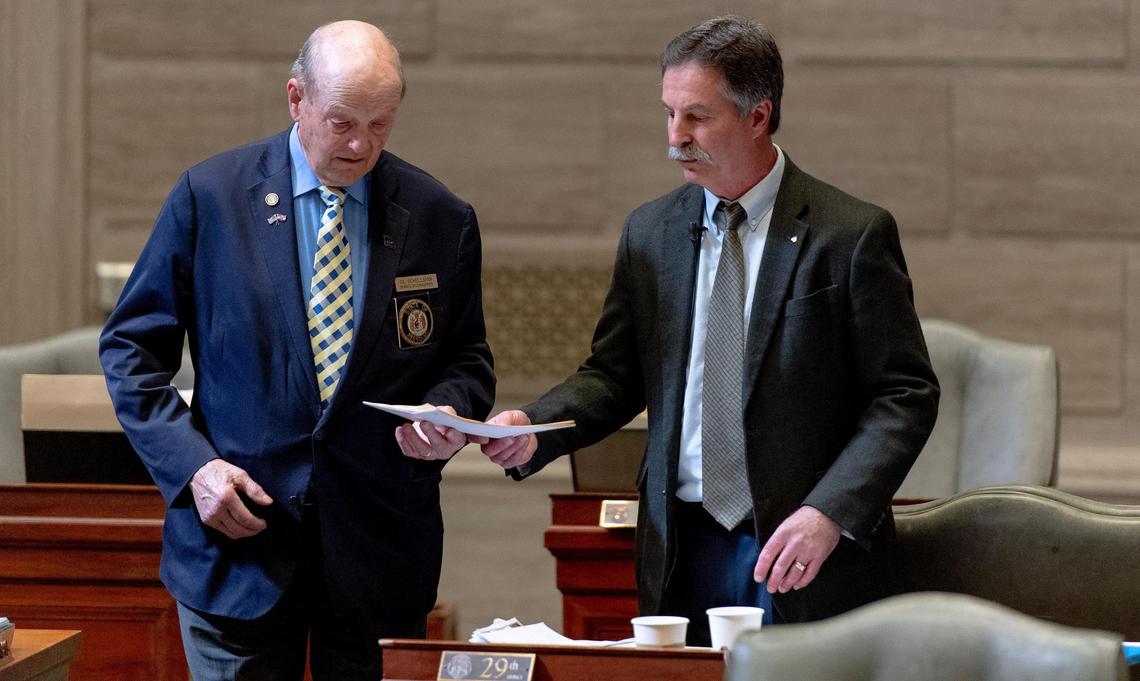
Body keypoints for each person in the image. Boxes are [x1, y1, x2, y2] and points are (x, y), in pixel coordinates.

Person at [472, 15, 938, 645]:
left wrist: (830, 511)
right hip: (680, 543)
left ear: (758, 115)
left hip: (800, 545)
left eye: (697, 117)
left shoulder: (850, 235)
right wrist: (536, 428)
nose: (675, 137)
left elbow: (904, 394)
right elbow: (615, 375)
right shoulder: (651, 233)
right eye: (668, 114)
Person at [99, 20, 494, 680]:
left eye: (380, 123)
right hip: (240, 544)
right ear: (296, 100)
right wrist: (195, 468)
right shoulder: (212, 198)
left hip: (378, 547)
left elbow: (467, 360)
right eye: (342, 121)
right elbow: (131, 351)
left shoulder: (438, 216)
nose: (361, 144)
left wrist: (445, 412)